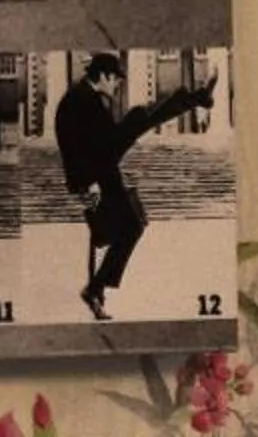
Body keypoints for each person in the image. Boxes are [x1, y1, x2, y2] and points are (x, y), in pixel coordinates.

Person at [56, 53, 218, 319]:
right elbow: (72, 148)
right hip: (97, 174)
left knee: (126, 226)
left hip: (103, 167)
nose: (117, 85)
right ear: (104, 76)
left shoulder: (84, 98)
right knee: (128, 227)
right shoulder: (80, 101)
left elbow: (92, 144)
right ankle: (95, 288)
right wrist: (87, 183)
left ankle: (96, 290)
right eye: (115, 80)